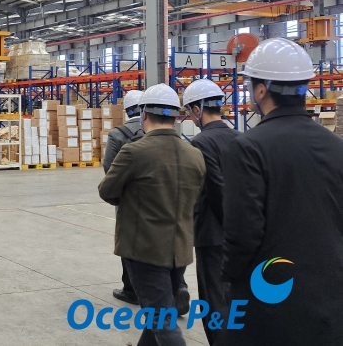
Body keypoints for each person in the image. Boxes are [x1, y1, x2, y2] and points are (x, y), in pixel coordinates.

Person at [221, 38, 343, 346]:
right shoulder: (336, 146)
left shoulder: (248, 148)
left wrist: (230, 277)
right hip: (329, 300)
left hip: (268, 300)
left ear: (261, 90)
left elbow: (243, 233)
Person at [98, 84, 205, 346]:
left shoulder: (134, 152)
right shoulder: (195, 154)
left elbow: (107, 191)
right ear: (177, 117)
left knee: (162, 321)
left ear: (143, 114)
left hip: (144, 249)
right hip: (179, 249)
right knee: (159, 313)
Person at [181, 79, 236, 345]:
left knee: (214, 300)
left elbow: (216, 189)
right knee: (236, 297)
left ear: (197, 109)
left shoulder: (200, 143)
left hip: (213, 234)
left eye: (190, 111)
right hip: (243, 232)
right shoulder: (240, 137)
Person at [102, 89, 144, 306]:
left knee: (128, 242)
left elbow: (109, 167)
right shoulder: (157, 131)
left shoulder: (118, 135)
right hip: (157, 197)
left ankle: (131, 289)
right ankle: (176, 286)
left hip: (128, 198)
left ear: (126, 110)